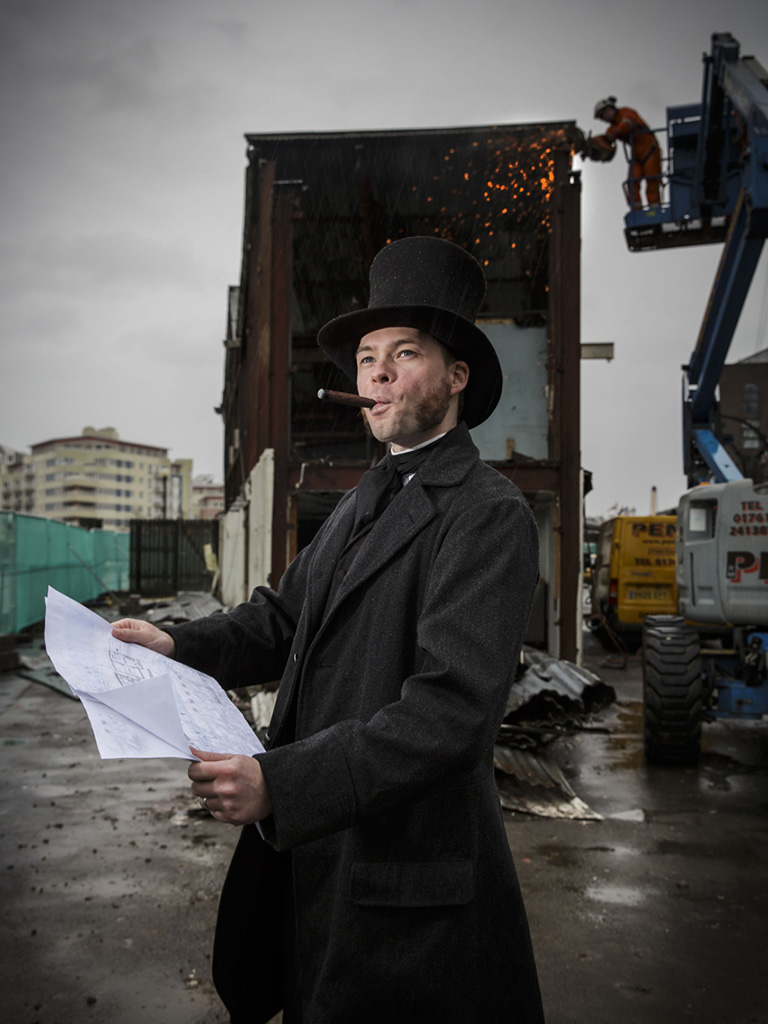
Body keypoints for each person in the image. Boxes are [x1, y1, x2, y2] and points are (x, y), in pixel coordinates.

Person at [112, 235, 544, 1024]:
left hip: (409, 887)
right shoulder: (361, 501)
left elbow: (451, 714)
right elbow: (280, 619)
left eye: (404, 353)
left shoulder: (488, 515)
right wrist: (179, 644)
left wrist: (283, 783)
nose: (375, 373)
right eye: (367, 356)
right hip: (324, 861)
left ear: (456, 377)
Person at [593, 96, 662, 209]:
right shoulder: (612, 128)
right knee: (631, 183)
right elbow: (606, 141)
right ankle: (637, 212)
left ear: (609, 109)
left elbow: (626, 125)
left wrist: (611, 136)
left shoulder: (626, 112)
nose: (603, 119)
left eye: (602, 115)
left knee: (652, 181)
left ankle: (655, 210)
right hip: (637, 155)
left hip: (650, 149)